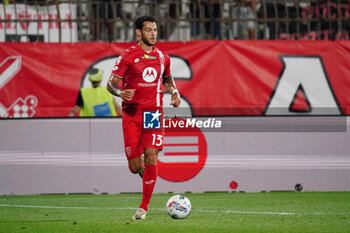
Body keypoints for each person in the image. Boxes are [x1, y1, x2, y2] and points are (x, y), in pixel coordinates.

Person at [107, 15, 181, 220]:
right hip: (131, 114)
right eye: (149, 30)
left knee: (151, 155)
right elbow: (111, 83)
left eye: (155, 30)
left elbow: (167, 79)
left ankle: (143, 207)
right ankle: (143, 172)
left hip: (153, 113)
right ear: (138, 32)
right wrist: (119, 93)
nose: (153, 34)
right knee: (135, 166)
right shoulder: (128, 56)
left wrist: (175, 92)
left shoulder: (163, 58)